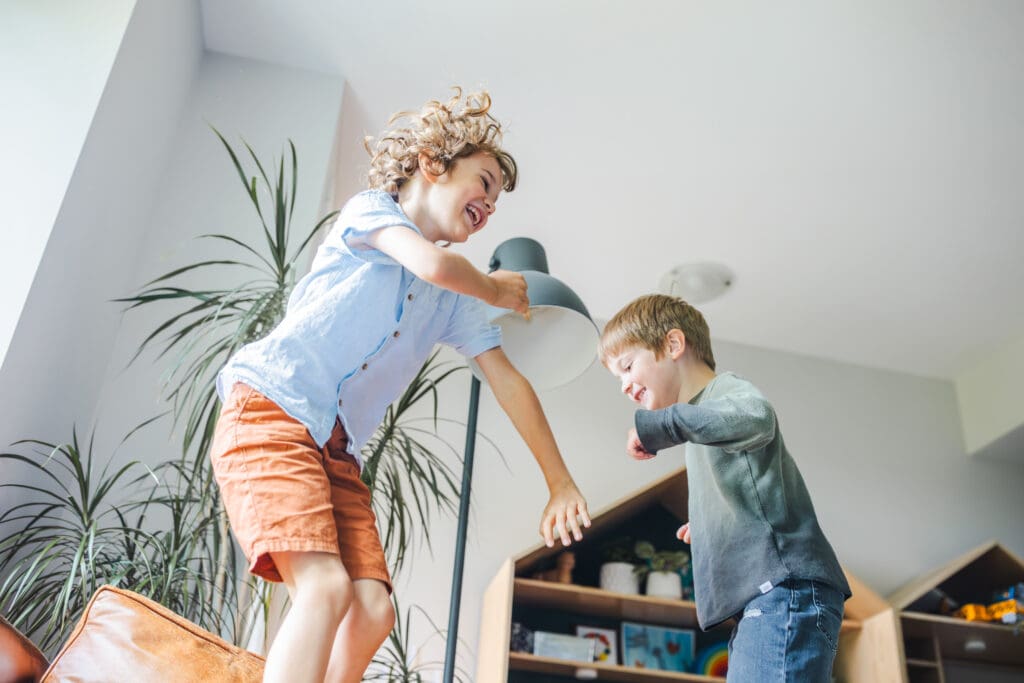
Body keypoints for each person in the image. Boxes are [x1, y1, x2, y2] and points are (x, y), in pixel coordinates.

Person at [210, 88, 591, 683]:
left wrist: (560, 481)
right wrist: (495, 289)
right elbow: (433, 264)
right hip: (270, 410)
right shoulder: (371, 214)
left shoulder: (449, 302)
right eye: (484, 182)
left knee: (372, 609)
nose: (490, 204)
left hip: (334, 452)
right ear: (433, 164)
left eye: (496, 199)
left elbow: (509, 383)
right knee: (325, 590)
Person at [599, 294, 850, 682]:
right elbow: (748, 486)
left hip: (784, 589)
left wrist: (663, 426)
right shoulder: (701, 431)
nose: (624, 385)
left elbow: (757, 419)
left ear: (672, 344)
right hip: (763, 599)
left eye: (628, 366)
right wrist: (710, 523)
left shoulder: (724, 393)